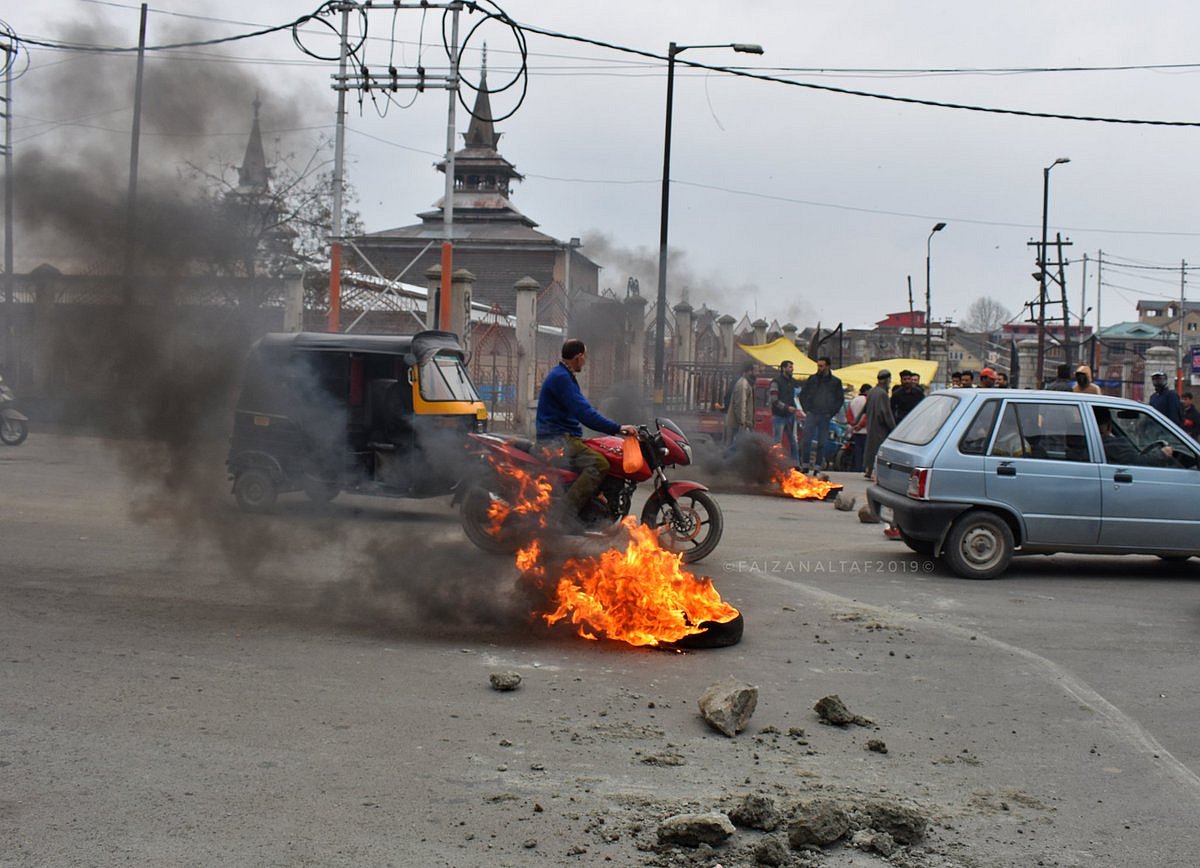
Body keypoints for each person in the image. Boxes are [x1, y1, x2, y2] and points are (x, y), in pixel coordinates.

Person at [535, 339, 638, 527]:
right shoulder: (562, 378)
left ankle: (595, 501)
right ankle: (566, 512)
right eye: (585, 356)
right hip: (556, 439)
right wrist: (617, 428)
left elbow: (584, 407)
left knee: (601, 450)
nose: (586, 360)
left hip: (564, 436)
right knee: (599, 464)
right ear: (579, 356)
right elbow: (584, 413)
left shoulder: (564, 375)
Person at [797, 356, 843, 472]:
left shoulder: (835, 382)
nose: (819, 368)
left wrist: (831, 413)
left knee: (822, 442)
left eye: (821, 366)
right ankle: (806, 465)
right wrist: (806, 409)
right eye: (818, 366)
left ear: (828, 366)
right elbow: (803, 395)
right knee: (806, 441)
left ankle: (818, 467)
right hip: (812, 413)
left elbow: (839, 399)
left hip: (825, 415)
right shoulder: (812, 379)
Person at [1094, 406, 1175, 466]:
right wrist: (1162, 454)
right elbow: (1138, 462)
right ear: (1109, 426)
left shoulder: (1086, 444)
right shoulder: (1114, 445)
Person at [863, 369, 896, 480]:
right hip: (880, 427)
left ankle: (868, 470)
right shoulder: (883, 394)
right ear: (886, 380)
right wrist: (893, 428)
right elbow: (886, 413)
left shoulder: (872, 391)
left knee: (870, 448)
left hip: (871, 424)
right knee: (878, 450)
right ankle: (875, 473)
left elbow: (865, 409)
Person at [768, 360, 801, 466]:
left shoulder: (792, 382)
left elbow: (795, 397)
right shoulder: (776, 382)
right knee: (777, 441)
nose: (792, 369)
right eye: (790, 367)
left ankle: (795, 464)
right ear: (783, 368)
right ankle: (776, 464)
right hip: (779, 416)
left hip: (790, 416)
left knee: (793, 440)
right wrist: (787, 408)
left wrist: (795, 408)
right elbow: (774, 400)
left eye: (792, 367)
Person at [724, 362, 756, 450]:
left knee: (736, 447)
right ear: (748, 371)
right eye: (754, 371)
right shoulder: (743, 384)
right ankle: (722, 462)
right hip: (737, 424)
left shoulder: (746, 384)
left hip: (740, 423)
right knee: (734, 448)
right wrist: (742, 422)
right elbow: (740, 404)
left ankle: (725, 462)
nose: (755, 373)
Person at [844, 383, 870, 472]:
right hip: (865, 431)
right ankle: (864, 469)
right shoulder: (868, 400)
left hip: (855, 431)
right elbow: (868, 416)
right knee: (865, 452)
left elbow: (849, 415)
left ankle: (857, 468)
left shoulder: (853, 400)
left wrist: (854, 425)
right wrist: (860, 425)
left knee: (858, 451)